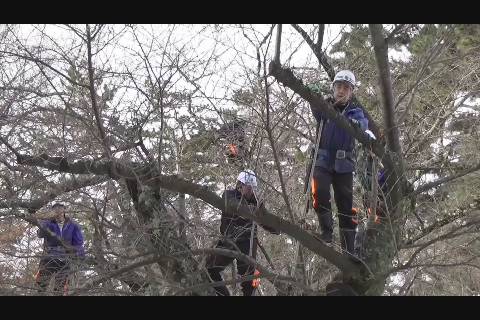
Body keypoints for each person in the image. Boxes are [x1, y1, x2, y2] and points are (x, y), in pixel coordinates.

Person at [309, 70, 372, 257]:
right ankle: (326, 232)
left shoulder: (355, 112)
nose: (341, 91)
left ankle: (349, 250)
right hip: (323, 160)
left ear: (351, 92)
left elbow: (363, 124)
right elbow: (314, 105)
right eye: (338, 87)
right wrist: (312, 94)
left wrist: (354, 124)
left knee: (345, 205)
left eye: (346, 88)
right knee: (319, 193)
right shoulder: (324, 107)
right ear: (333, 88)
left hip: (344, 164)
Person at [206, 170, 279, 296]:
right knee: (209, 269)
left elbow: (265, 221)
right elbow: (235, 206)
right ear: (240, 185)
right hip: (228, 241)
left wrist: (277, 228)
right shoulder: (229, 195)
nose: (251, 190)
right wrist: (252, 210)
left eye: (253, 188)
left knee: (249, 281)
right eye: (248, 187)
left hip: (247, 244)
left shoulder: (256, 202)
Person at [35, 203, 85, 294]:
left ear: (64, 211)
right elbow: (39, 234)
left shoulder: (73, 225)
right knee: (41, 286)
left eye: (60, 210)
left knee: (59, 290)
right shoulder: (48, 223)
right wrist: (46, 220)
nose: (58, 212)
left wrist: (80, 257)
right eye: (55, 210)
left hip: (65, 260)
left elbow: (78, 244)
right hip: (48, 258)